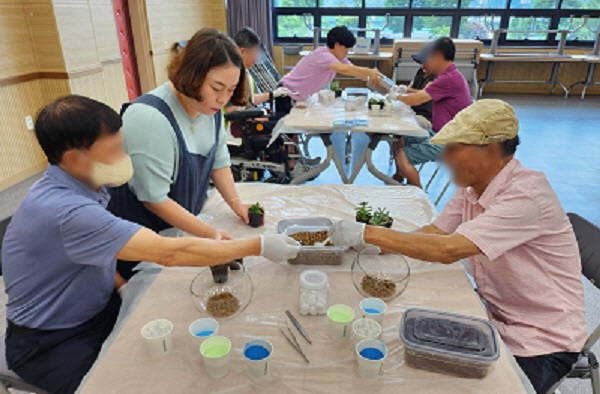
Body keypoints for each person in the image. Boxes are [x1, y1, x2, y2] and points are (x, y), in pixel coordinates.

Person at [1, 95, 300, 394]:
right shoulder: (67, 211)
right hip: (50, 342)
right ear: (75, 158)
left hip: (96, 308)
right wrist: (258, 246)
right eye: (115, 150)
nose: (124, 157)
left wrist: (120, 285)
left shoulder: (79, 185)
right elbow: (171, 252)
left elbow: (92, 253)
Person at [329, 99, 587, 394]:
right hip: (492, 312)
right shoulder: (473, 187)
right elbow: (434, 233)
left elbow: (447, 249)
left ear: (489, 148)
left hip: (541, 339)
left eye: (455, 148)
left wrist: (367, 233)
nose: (445, 158)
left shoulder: (525, 196)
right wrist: (373, 247)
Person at [107, 28, 256, 279]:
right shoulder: (150, 119)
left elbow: (219, 161)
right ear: (192, 75)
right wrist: (208, 233)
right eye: (217, 87)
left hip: (182, 227)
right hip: (147, 239)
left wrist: (236, 204)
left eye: (230, 90)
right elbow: (153, 198)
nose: (222, 99)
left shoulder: (209, 109)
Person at [390, 37, 472, 188]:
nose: (426, 62)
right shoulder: (452, 76)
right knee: (398, 139)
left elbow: (416, 99)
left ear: (438, 56)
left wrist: (393, 95)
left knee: (402, 156)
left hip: (451, 141)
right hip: (442, 133)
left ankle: (418, 196)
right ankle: (407, 181)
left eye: (429, 58)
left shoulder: (447, 78)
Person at [276, 26, 384, 114]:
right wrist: (369, 71)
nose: (347, 51)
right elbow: (344, 70)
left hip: (299, 96)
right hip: (286, 93)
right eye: (346, 48)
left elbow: (354, 71)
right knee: (285, 133)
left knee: (292, 130)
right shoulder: (323, 55)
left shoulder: (339, 58)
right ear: (337, 45)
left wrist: (378, 81)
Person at [391, 61, 436, 182]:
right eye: (422, 63)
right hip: (413, 112)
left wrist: (402, 92)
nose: (424, 65)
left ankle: (403, 170)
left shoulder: (436, 77)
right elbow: (411, 89)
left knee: (400, 127)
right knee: (396, 131)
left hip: (427, 118)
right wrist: (405, 90)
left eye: (426, 63)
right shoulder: (421, 72)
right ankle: (399, 171)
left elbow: (423, 94)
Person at [230, 27, 294, 109]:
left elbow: (250, 98)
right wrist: (272, 94)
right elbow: (243, 104)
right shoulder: (233, 74)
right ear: (242, 51)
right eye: (255, 51)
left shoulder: (246, 71)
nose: (256, 57)